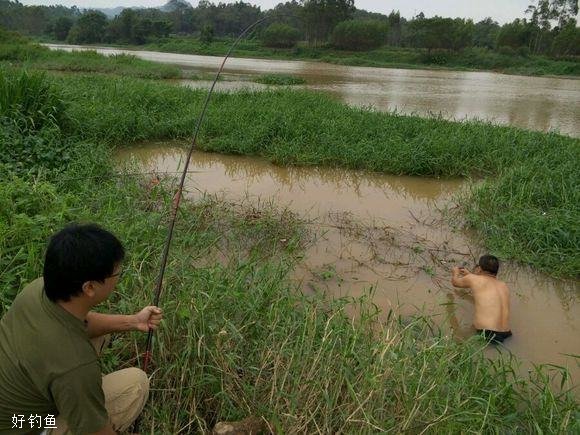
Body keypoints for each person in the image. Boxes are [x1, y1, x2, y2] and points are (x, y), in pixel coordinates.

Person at [0, 224, 163, 435]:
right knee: (135, 384)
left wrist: (133, 321)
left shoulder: (37, 289)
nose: (119, 278)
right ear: (89, 288)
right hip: (26, 425)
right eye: (116, 274)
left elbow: (82, 324)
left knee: (98, 339)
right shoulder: (75, 364)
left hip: (12, 413)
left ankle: (70, 400)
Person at [451, 254, 512, 344]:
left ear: (479, 268)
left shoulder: (473, 279)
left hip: (487, 333)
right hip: (507, 333)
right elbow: (485, 284)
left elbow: (455, 282)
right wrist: (470, 275)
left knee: (458, 340)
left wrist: (455, 272)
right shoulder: (503, 285)